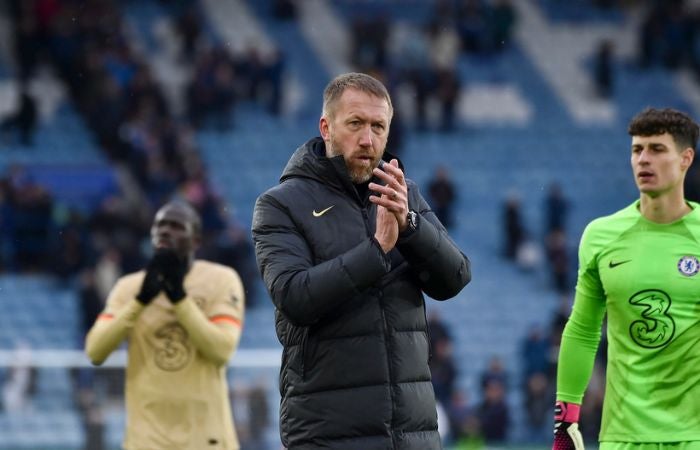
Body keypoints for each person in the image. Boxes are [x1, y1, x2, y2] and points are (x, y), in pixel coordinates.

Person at [252, 72, 471, 450]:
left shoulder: (402, 194)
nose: (368, 139)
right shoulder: (280, 205)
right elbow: (294, 298)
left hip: (412, 434)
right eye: (355, 124)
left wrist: (411, 226)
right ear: (326, 126)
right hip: (328, 434)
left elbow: (455, 278)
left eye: (378, 126)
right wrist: (376, 251)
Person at [552, 107, 700, 450]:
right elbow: (583, 329)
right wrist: (565, 421)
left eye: (657, 149)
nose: (643, 160)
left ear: (685, 159)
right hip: (623, 436)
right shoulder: (601, 236)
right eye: (637, 150)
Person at [85, 200, 245, 450]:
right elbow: (95, 351)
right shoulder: (129, 288)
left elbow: (221, 350)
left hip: (206, 439)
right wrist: (139, 302)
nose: (165, 231)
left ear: (195, 240)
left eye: (176, 226)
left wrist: (179, 300)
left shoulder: (220, 280)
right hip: (147, 441)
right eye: (159, 225)